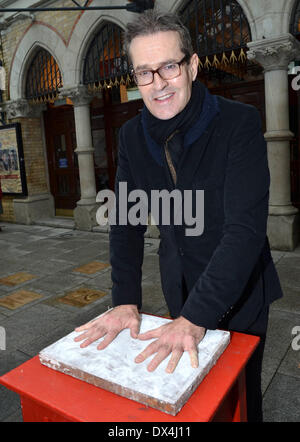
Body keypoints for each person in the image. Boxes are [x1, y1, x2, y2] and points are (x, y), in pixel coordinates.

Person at [74, 10, 283, 421]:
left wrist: (195, 319)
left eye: (169, 66)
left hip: (240, 293)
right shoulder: (132, 135)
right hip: (180, 285)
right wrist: (126, 300)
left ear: (192, 65)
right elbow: (127, 222)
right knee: (190, 398)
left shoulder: (238, 123)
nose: (158, 84)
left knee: (239, 401)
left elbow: (244, 231)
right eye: (144, 73)